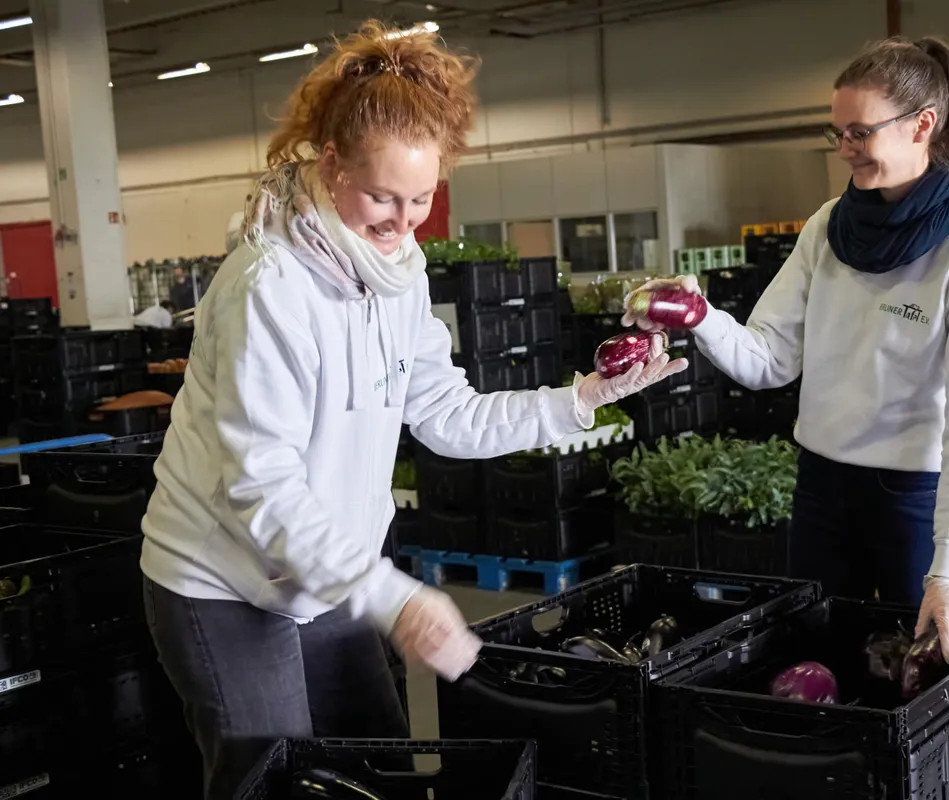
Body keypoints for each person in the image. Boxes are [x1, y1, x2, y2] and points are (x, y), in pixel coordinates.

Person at [138, 21, 686, 799]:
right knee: (272, 779)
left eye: (421, 199)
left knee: (380, 764)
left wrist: (579, 400)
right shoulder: (270, 288)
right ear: (330, 166)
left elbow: (444, 414)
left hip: (327, 571)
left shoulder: (397, 269)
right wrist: (395, 596)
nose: (402, 222)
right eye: (381, 198)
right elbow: (260, 485)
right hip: (222, 578)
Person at [624, 37, 949, 666]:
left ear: (923, 125)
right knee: (820, 660)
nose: (846, 149)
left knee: (917, 676)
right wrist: (699, 317)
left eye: (860, 131)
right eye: (837, 133)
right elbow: (768, 360)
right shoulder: (827, 228)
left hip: (912, 498)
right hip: (822, 491)